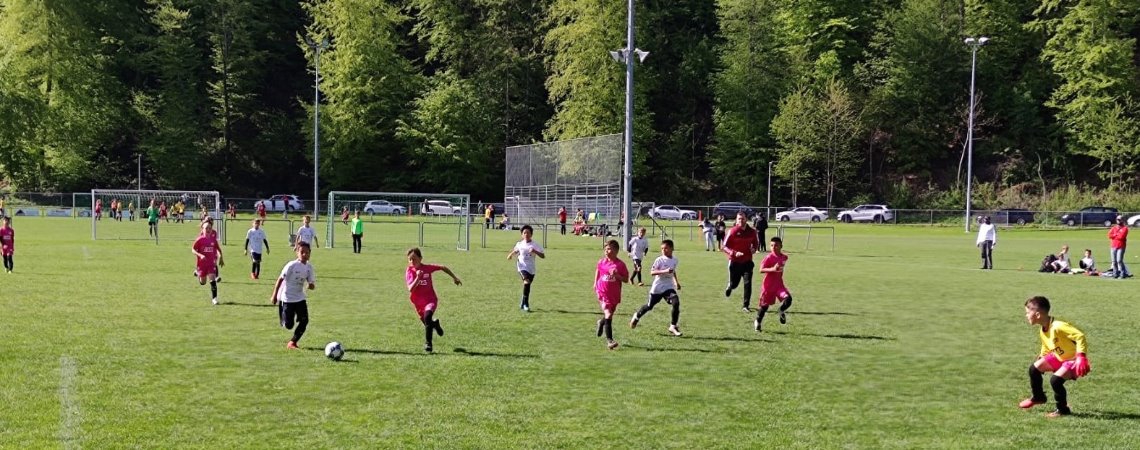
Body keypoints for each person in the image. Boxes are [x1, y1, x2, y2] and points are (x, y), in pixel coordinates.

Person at [1019, 296, 1090, 417]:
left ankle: (1062, 410)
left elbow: (1080, 336)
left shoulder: (1058, 326)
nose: (1026, 316)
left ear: (1037, 314)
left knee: (1055, 381)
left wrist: (1081, 357)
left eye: (1027, 313)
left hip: (1073, 360)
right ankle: (1038, 397)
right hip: (1059, 356)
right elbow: (1046, 345)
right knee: (1034, 369)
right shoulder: (1043, 329)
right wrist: (1042, 356)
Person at [405, 247, 462, 353]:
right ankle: (435, 324)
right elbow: (410, 289)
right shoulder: (409, 271)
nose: (412, 262)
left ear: (421, 258)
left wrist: (454, 277)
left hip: (430, 299)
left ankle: (428, 344)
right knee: (428, 323)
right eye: (410, 259)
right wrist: (418, 278)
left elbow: (442, 267)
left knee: (427, 318)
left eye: (414, 259)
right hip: (418, 302)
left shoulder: (427, 268)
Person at [630, 239, 683, 336]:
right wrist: (665, 271)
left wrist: (676, 282)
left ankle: (673, 326)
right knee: (649, 306)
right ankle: (636, 316)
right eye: (662, 248)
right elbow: (652, 272)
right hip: (658, 287)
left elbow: (673, 271)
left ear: (671, 248)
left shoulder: (675, 260)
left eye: (666, 248)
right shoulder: (659, 260)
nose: (663, 250)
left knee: (676, 302)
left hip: (668, 287)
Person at [271, 242, 316, 350]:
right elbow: (280, 279)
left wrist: (310, 285)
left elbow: (312, 285)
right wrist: (274, 295)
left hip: (300, 298)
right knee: (289, 325)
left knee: (305, 320)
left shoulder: (309, 268)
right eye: (302, 252)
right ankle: (283, 316)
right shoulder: (291, 265)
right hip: (287, 298)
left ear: (310, 253)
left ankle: (293, 342)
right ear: (297, 253)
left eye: (307, 252)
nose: (304, 254)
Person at [594, 239, 629, 350]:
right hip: (602, 291)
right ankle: (610, 341)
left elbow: (626, 279)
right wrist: (595, 283)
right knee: (608, 313)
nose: (606, 251)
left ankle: (601, 322)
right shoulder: (601, 262)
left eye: (609, 249)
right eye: (605, 249)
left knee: (609, 314)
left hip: (614, 294)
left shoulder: (620, 265)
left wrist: (617, 275)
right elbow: (598, 271)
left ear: (616, 250)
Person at [754, 236, 793, 332]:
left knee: (788, 299)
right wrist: (772, 269)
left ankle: (781, 311)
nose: (773, 247)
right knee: (764, 306)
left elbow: (783, 260)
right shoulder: (768, 257)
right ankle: (758, 322)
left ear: (781, 246)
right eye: (771, 245)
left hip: (779, 285)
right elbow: (761, 270)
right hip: (768, 286)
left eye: (776, 245)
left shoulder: (784, 257)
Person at [723, 212, 760, 312]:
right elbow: (724, 246)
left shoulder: (752, 232)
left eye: (742, 219)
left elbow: (756, 243)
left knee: (748, 283)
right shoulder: (732, 231)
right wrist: (734, 253)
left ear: (746, 219)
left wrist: (754, 249)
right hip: (735, 262)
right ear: (736, 220)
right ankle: (730, 286)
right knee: (734, 284)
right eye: (739, 219)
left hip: (747, 262)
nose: (741, 221)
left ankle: (745, 306)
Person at [507, 225, 545, 312]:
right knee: (526, 282)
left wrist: (535, 251)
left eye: (528, 232)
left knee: (527, 285)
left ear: (531, 234)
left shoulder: (535, 245)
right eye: (524, 233)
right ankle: (526, 304)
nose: (526, 234)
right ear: (522, 235)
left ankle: (522, 301)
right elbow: (516, 250)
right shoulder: (520, 244)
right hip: (521, 266)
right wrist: (510, 255)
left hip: (531, 268)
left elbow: (543, 256)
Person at [191, 220, 224, 305]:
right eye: (206, 228)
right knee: (203, 282)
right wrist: (200, 255)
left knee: (212, 279)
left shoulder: (213, 240)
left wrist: (221, 257)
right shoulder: (199, 240)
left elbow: (218, 249)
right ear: (202, 229)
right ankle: (198, 274)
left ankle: (214, 299)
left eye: (210, 228)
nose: (208, 229)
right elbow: (193, 250)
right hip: (202, 265)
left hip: (211, 263)